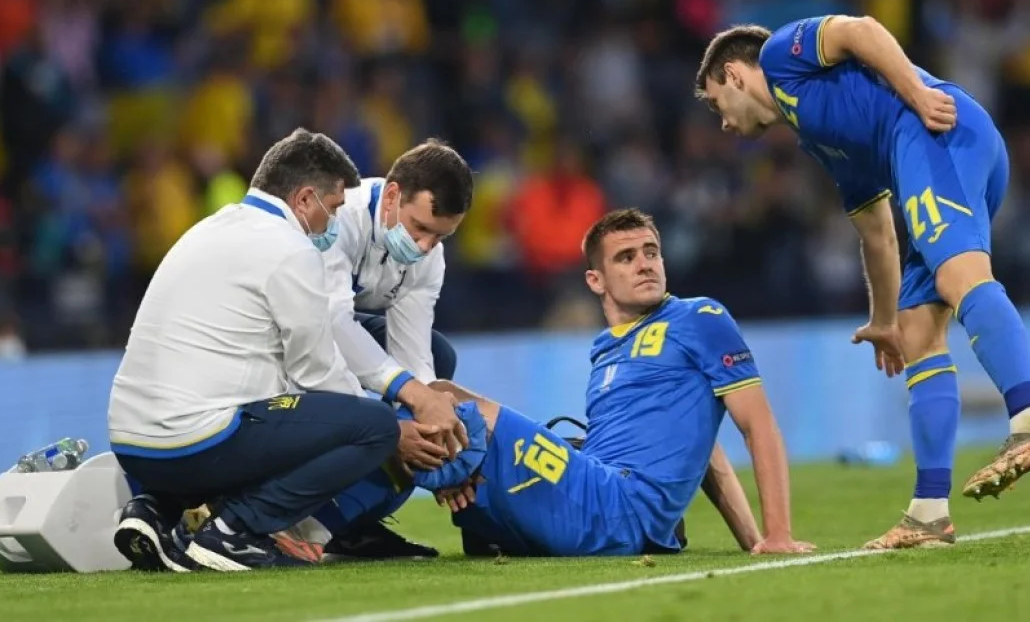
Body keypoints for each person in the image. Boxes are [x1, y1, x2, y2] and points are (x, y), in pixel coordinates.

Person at [693, 16, 1030, 549]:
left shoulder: (780, 55)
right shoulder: (818, 137)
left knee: (961, 275)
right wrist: (883, 319)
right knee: (917, 330)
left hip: (934, 131)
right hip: (938, 149)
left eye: (716, 105)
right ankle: (928, 514)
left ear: (734, 74)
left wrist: (916, 94)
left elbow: (861, 31)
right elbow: (876, 233)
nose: (723, 124)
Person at [108, 128, 449, 572]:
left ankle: (157, 507)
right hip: (197, 442)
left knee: (287, 406)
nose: (333, 222)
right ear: (305, 199)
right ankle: (235, 530)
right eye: (333, 208)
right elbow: (318, 374)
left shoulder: (208, 228)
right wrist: (393, 434)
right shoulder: (291, 250)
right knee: (374, 427)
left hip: (133, 447)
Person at [432, 208, 812, 556]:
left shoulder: (699, 317)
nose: (644, 265)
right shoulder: (604, 349)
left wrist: (777, 534)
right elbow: (705, 450)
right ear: (595, 280)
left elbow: (758, 424)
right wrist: (751, 540)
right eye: (626, 258)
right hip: (590, 498)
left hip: (618, 502)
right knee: (461, 450)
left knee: (441, 396)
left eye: (651, 253)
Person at [314, 137, 474, 558]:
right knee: (393, 397)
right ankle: (302, 515)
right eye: (419, 228)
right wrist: (389, 428)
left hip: (335, 328)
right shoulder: (337, 219)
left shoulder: (429, 258)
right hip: (288, 339)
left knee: (438, 360)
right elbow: (330, 326)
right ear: (391, 195)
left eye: (440, 236)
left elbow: (414, 356)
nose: (424, 247)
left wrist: (436, 438)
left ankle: (354, 522)